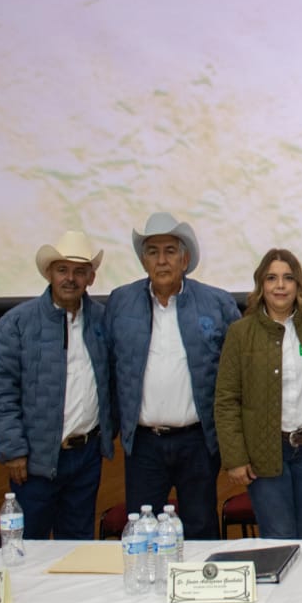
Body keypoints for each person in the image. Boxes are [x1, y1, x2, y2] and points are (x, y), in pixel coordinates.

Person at [105, 212, 240, 539]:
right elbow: (107, 366)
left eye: (169, 251)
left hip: (198, 441)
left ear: (185, 259)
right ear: (144, 261)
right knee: (143, 532)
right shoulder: (120, 303)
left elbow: (238, 369)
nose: (162, 260)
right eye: (153, 252)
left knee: (200, 527)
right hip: (144, 443)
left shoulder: (217, 303)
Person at [0, 230, 113, 539]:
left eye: (79, 271)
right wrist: (13, 450)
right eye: (62, 270)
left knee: (79, 545)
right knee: (29, 547)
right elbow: (0, 391)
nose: (70, 278)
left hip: (86, 456)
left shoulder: (103, 320)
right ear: (49, 274)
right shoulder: (17, 324)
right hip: (35, 459)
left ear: (91, 278)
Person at [214, 249, 302, 539]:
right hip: (264, 452)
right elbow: (226, 399)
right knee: (279, 534)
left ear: (298, 285)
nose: (280, 286)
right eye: (271, 278)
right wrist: (235, 457)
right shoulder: (240, 333)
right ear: (261, 285)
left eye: (288, 278)